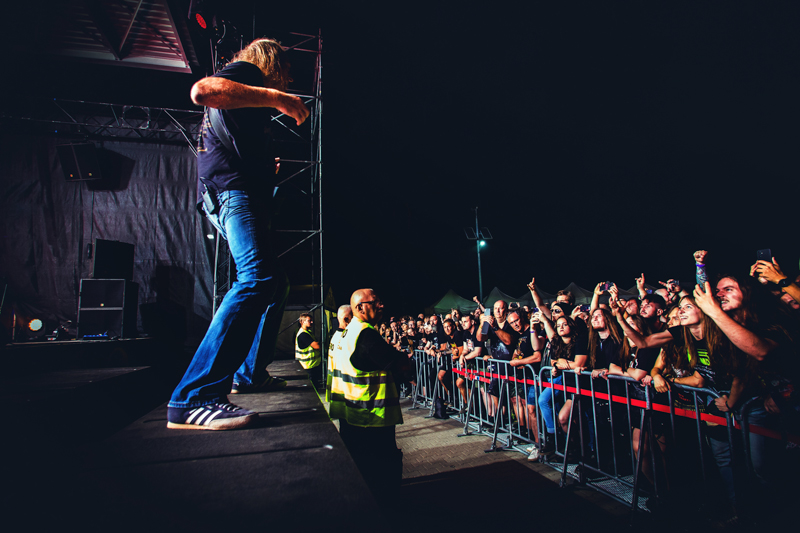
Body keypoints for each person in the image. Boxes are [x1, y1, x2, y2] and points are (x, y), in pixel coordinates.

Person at [167, 38, 310, 430]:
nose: (288, 80)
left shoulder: (248, 104)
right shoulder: (248, 74)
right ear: (270, 63)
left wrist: (267, 166)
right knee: (258, 279)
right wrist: (276, 96)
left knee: (274, 284)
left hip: (232, 193)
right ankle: (193, 397)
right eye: (284, 71)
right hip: (232, 194)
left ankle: (248, 374)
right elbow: (203, 90)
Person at [327, 288, 414, 505]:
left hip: (350, 414)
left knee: (358, 469)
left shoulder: (346, 334)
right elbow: (399, 364)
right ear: (360, 308)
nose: (381, 305)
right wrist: (404, 358)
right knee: (381, 473)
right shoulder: (366, 335)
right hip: (372, 418)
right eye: (376, 302)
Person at [326, 305, 352, 394]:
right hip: (345, 388)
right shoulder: (347, 338)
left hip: (336, 387)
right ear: (346, 319)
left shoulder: (335, 336)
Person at [295, 313, 322, 389]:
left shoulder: (307, 332)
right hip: (309, 365)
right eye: (309, 321)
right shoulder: (303, 335)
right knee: (313, 388)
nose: (312, 322)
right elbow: (317, 346)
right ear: (302, 322)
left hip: (311, 365)